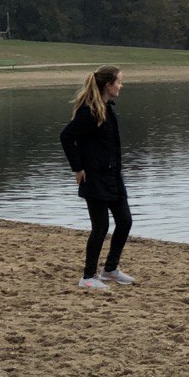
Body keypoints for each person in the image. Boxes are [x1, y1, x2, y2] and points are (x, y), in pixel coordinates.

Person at [59, 65, 136, 290]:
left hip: (112, 177)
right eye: (119, 82)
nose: (121, 86)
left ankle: (110, 269)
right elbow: (66, 137)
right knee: (100, 227)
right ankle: (88, 277)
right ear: (108, 85)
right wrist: (78, 168)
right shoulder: (89, 111)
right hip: (94, 179)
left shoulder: (107, 108)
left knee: (125, 221)